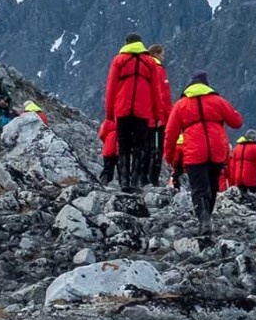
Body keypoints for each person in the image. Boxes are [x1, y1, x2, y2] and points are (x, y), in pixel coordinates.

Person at [162, 70, 242, 230]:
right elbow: (236, 122)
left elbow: (170, 134)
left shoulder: (181, 105)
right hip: (217, 151)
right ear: (206, 85)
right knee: (212, 186)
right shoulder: (218, 101)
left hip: (194, 153)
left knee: (199, 188)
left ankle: (203, 219)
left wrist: (169, 156)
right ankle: (208, 217)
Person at [102, 35, 166, 191]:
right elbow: (156, 92)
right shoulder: (150, 62)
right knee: (140, 147)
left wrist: (110, 113)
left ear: (126, 44)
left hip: (122, 110)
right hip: (142, 112)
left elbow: (111, 88)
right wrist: (158, 114)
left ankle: (124, 181)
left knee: (123, 146)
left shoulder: (118, 60)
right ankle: (135, 181)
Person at [145, 44, 172, 186]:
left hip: (142, 116)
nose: (163, 57)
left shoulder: (144, 67)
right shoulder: (158, 70)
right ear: (156, 54)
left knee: (144, 147)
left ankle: (141, 177)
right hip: (157, 118)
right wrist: (167, 117)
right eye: (162, 54)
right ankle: (153, 179)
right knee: (156, 148)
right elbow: (163, 96)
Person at [98, 118, 120, 185]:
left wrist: (108, 140)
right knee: (123, 170)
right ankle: (124, 186)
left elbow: (101, 134)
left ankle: (103, 183)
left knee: (107, 168)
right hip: (121, 149)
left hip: (108, 148)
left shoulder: (108, 120)